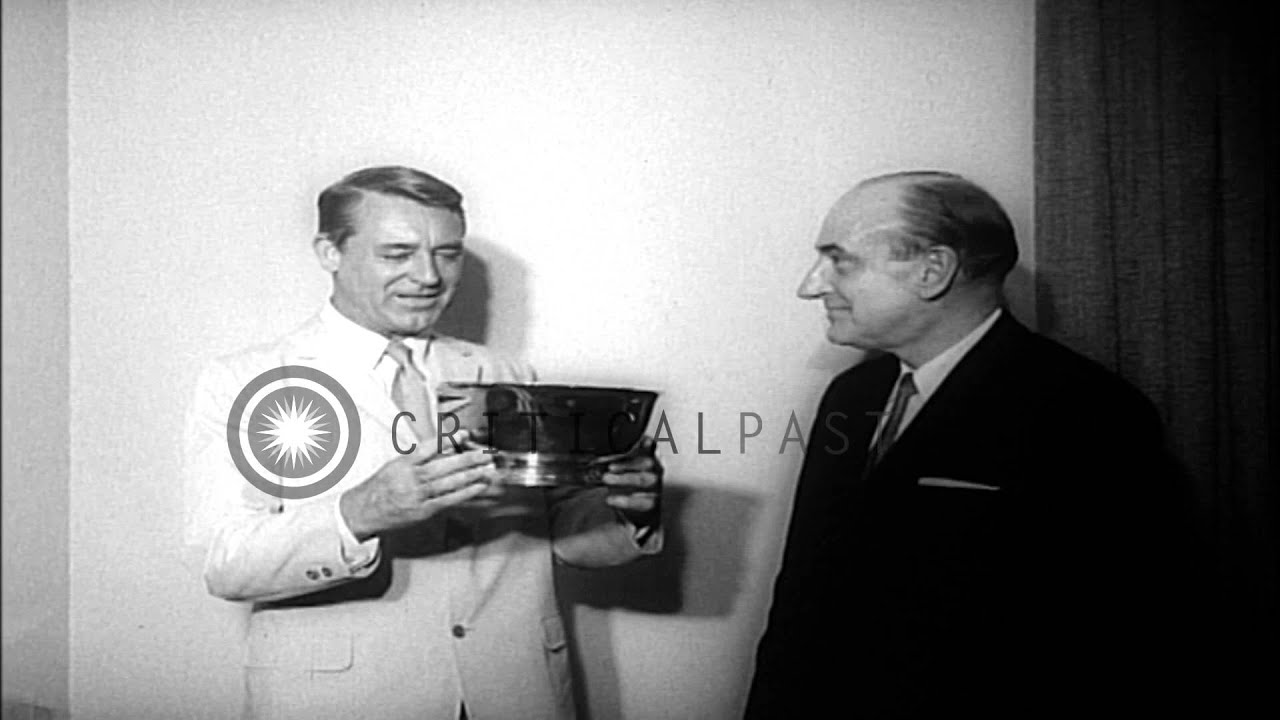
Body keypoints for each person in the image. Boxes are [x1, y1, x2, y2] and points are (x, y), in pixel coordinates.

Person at [183, 165, 662, 720]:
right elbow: (226, 564)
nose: (429, 275)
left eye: (447, 253)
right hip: (340, 704)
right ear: (329, 252)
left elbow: (564, 539)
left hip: (516, 694)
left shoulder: (505, 372)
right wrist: (361, 512)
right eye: (397, 253)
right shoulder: (250, 381)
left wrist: (628, 510)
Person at [745, 171, 1197, 718]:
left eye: (840, 260)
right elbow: (800, 600)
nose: (811, 284)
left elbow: (1122, 646)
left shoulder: (1087, 410)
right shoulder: (851, 396)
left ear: (933, 271)